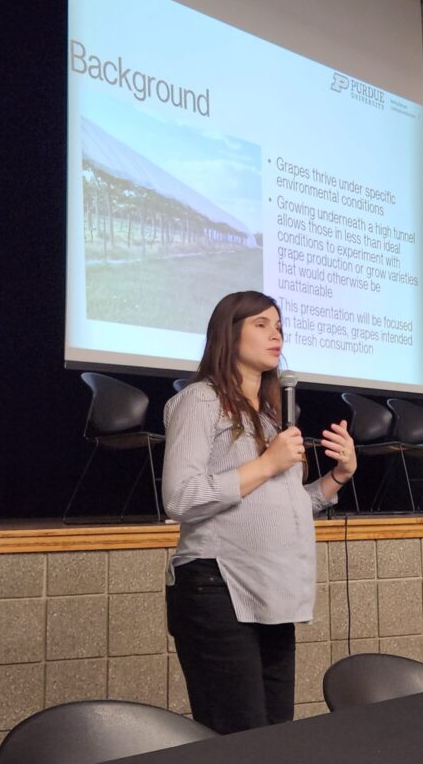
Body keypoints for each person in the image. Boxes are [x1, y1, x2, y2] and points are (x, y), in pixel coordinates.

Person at [163, 290, 357, 734]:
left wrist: (340, 476)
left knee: (276, 734)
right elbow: (180, 498)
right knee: (240, 737)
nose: (277, 335)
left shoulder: (273, 418)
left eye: (280, 326)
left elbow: (286, 503)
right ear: (228, 334)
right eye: (261, 324)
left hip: (271, 591)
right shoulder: (201, 400)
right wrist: (267, 463)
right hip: (217, 586)